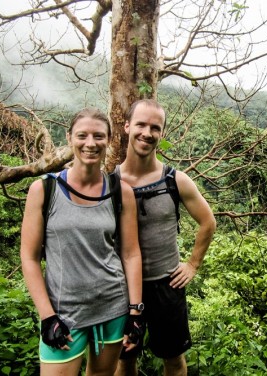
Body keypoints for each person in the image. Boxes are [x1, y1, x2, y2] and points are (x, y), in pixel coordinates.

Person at [20, 108, 144, 375]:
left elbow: (131, 253)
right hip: (64, 314)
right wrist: (47, 316)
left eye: (98, 136)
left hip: (113, 307)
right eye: (82, 135)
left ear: (109, 140)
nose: (90, 143)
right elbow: (29, 258)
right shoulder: (44, 190)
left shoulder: (120, 191)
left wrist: (136, 312)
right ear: (69, 138)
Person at [114, 99, 216, 376]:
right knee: (124, 359)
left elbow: (208, 222)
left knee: (173, 359)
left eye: (155, 128)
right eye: (141, 125)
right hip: (122, 287)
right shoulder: (111, 182)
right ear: (126, 127)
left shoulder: (175, 180)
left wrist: (193, 264)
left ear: (161, 134)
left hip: (166, 284)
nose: (147, 133)